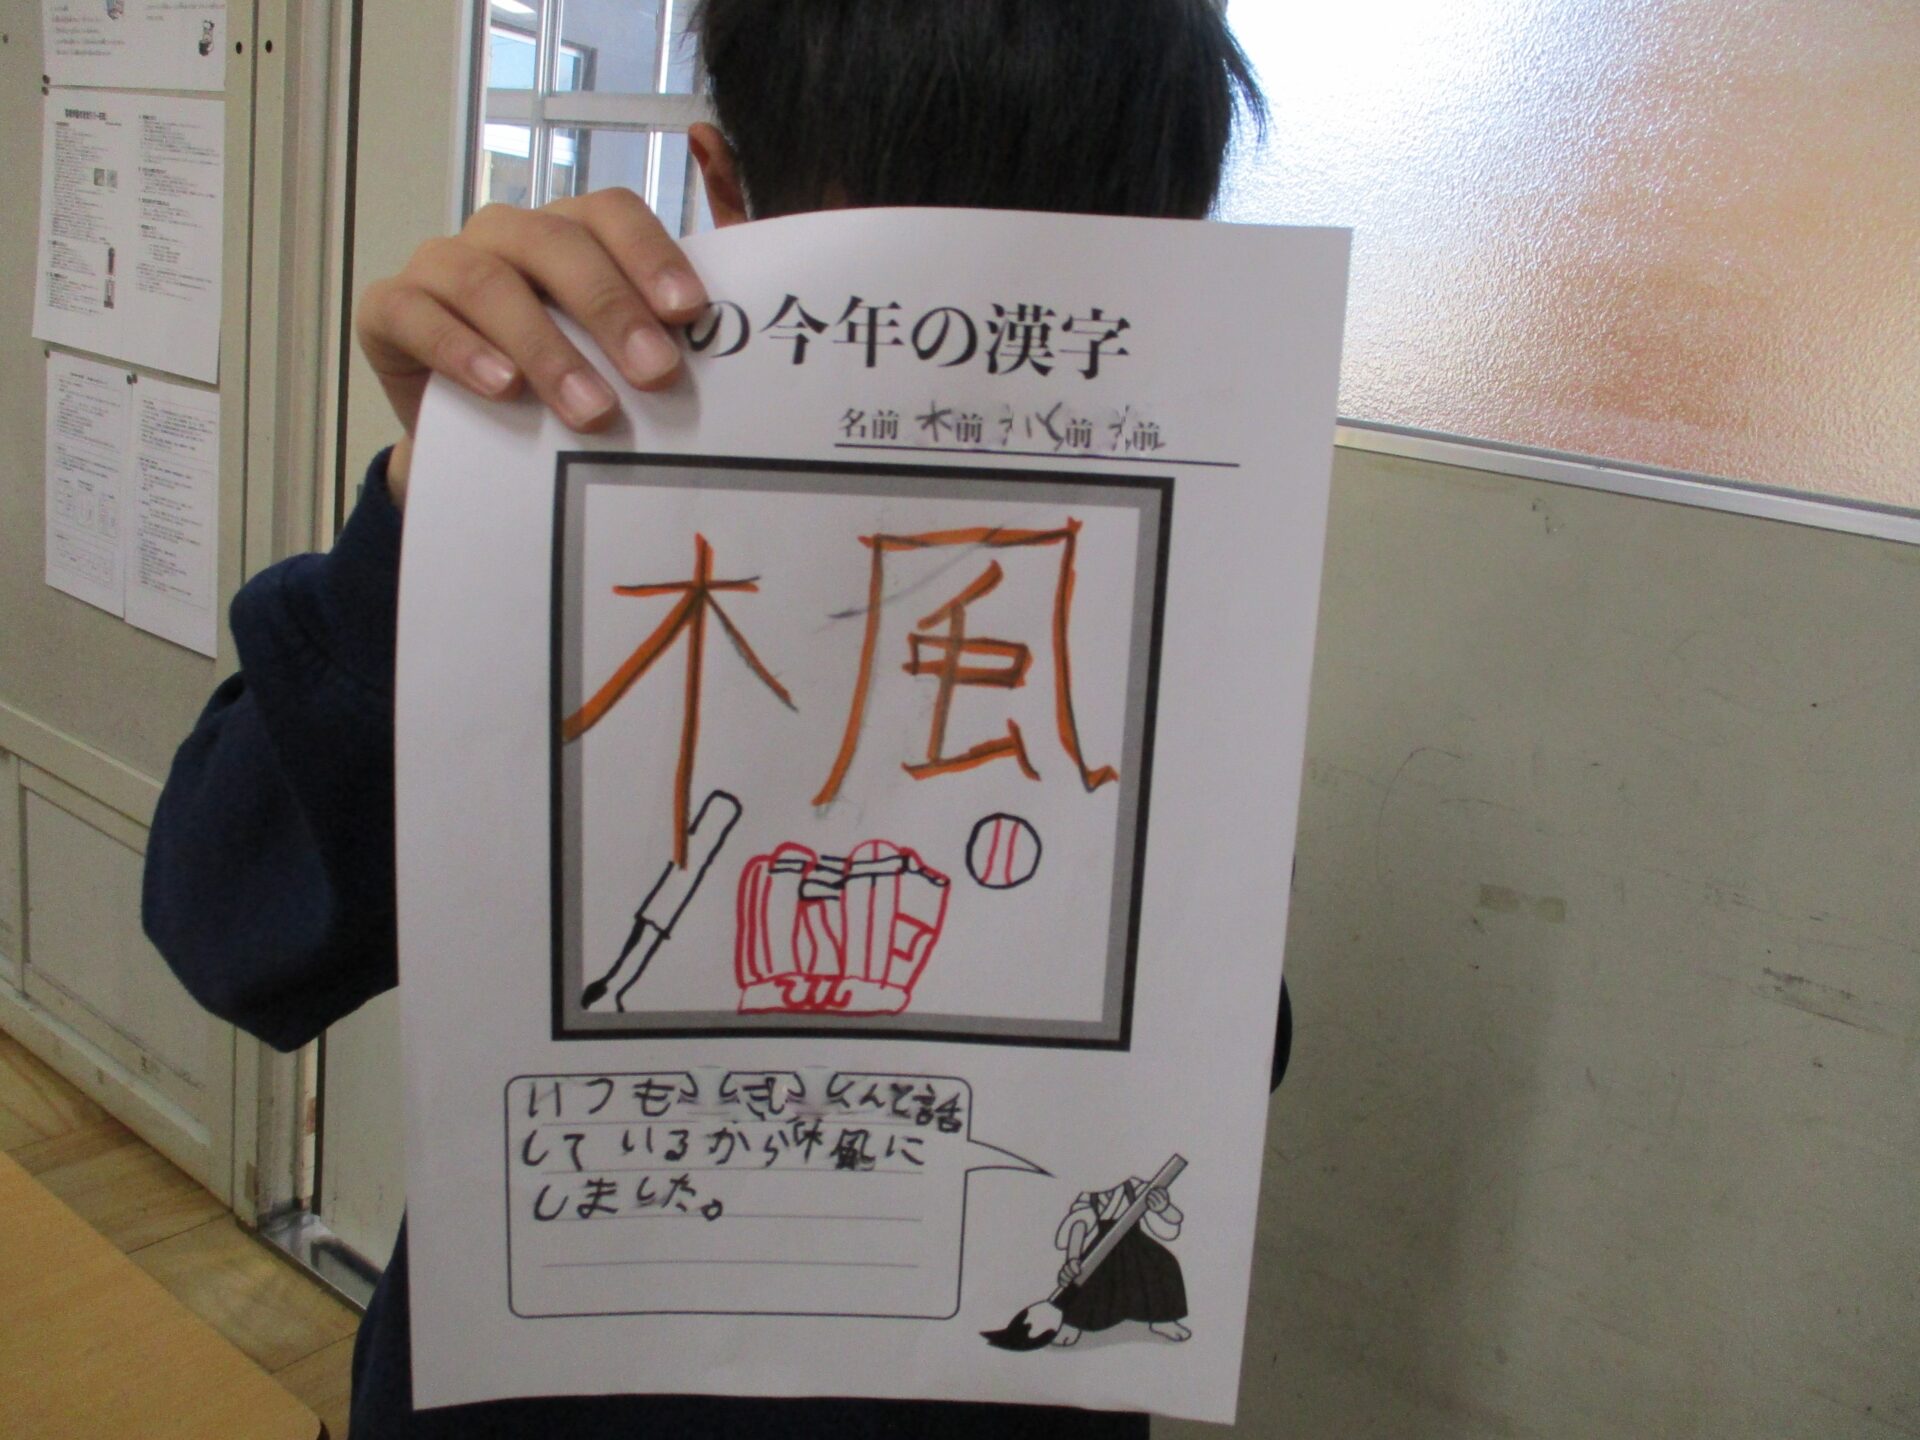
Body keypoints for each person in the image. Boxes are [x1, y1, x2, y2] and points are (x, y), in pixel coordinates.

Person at [143, 2, 1286, 1435]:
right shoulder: (569, 501)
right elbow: (227, 930)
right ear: (724, 197)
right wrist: (437, 505)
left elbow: (1229, 1057)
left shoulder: (1159, 582)